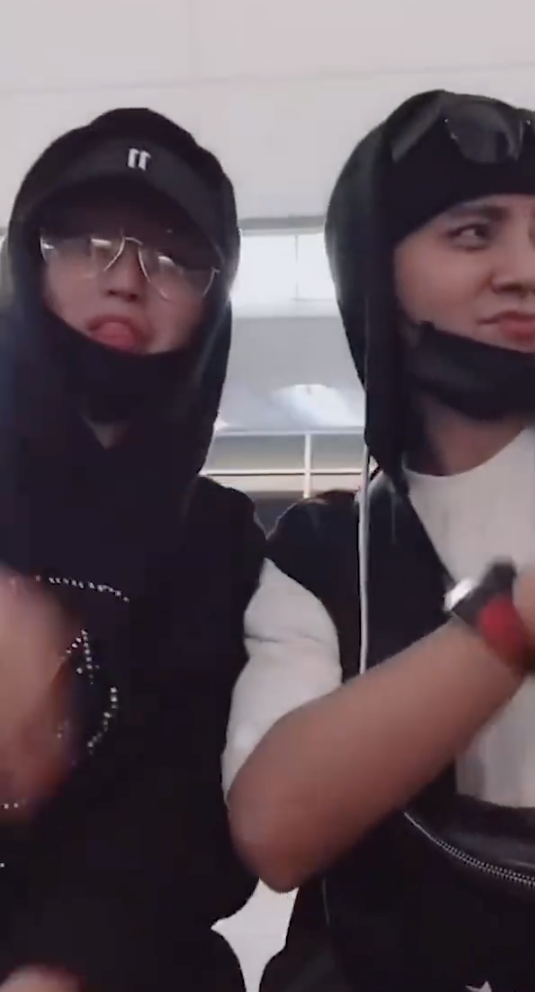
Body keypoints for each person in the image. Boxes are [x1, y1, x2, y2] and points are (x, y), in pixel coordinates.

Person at [223, 90, 535, 992]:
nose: (528, 271)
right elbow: (276, 830)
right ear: (377, 274)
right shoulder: (326, 555)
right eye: (473, 233)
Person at [0, 109, 263, 992]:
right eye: (87, 244)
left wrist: (62, 963)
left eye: (173, 258)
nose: (126, 279)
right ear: (29, 260)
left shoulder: (222, 545)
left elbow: (192, 821)